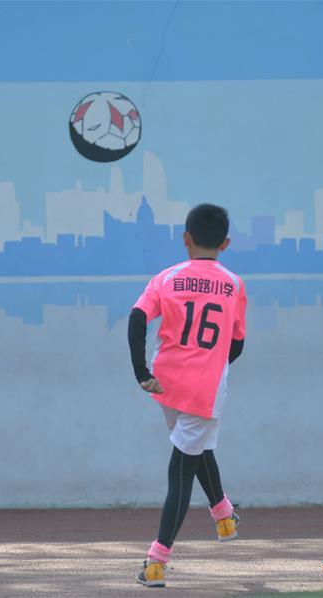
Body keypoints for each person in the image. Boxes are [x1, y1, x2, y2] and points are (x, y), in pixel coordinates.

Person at [127, 203, 247, 588]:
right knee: (182, 469)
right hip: (204, 391)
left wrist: (141, 372)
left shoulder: (166, 277)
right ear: (225, 243)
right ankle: (158, 561)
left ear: (186, 239)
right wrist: (212, 365)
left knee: (193, 451)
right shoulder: (234, 284)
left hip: (165, 384)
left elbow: (136, 319)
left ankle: (223, 515)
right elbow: (237, 344)